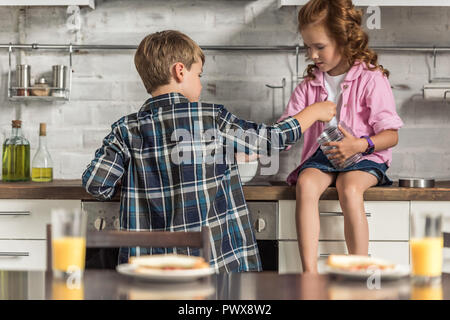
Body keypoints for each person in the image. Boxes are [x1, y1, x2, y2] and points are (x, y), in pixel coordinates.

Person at [82, 30, 336, 272]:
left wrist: (144, 172)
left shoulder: (125, 130)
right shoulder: (212, 119)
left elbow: (96, 184)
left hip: (151, 274)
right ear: (179, 71)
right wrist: (313, 112)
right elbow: (271, 140)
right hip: (211, 268)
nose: (201, 84)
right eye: (199, 75)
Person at [278, 0, 404, 274]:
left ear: (345, 39)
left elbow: (391, 135)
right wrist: (257, 147)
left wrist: (359, 144)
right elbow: (287, 130)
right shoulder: (309, 85)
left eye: (319, 46)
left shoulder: (371, 78)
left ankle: (359, 270)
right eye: (308, 46)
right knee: (306, 185)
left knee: (349, 188)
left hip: (364, 154)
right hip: (323, 156)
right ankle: (309, 273)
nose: (313, 54)